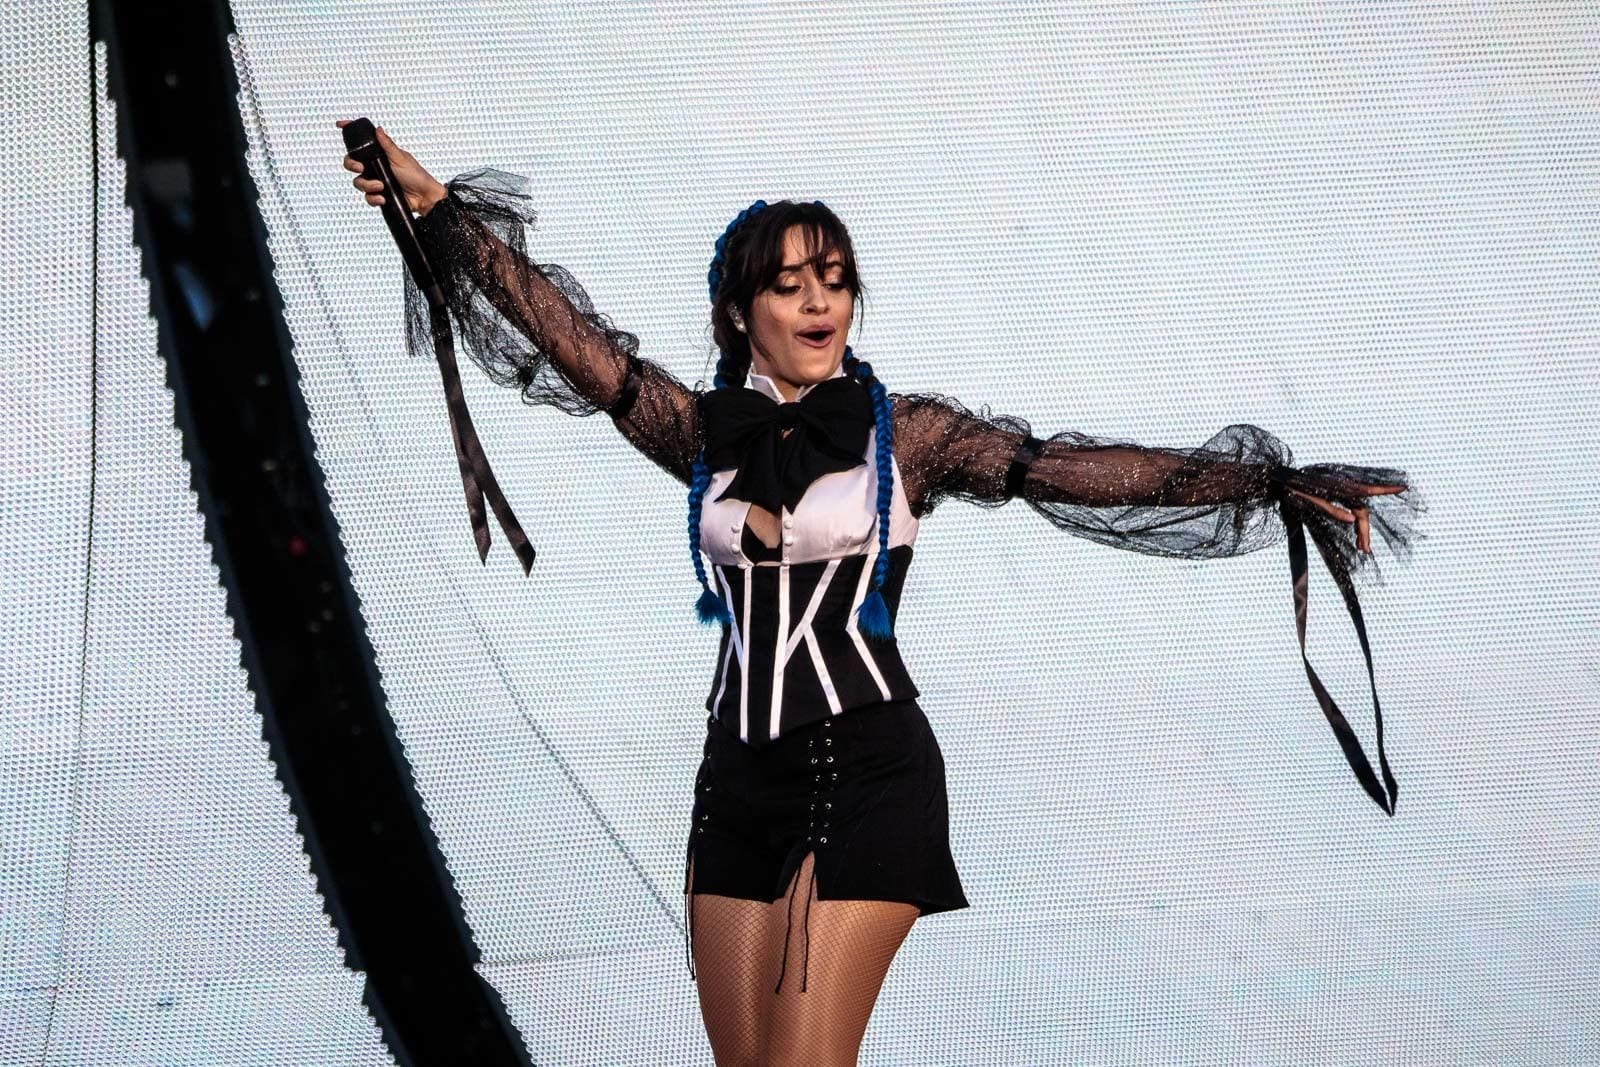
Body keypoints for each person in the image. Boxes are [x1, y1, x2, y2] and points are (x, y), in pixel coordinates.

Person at [338, 121, 1423, 1067]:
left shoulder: (908, 437)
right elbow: (572, 345)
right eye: (789, 282)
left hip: (867, 772)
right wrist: (438, 212)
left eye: (836, 277)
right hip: (735, 783)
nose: (820, 300)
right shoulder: (701, 434)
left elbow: (1066, 470)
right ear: (739, 310)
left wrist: (1265, 485)